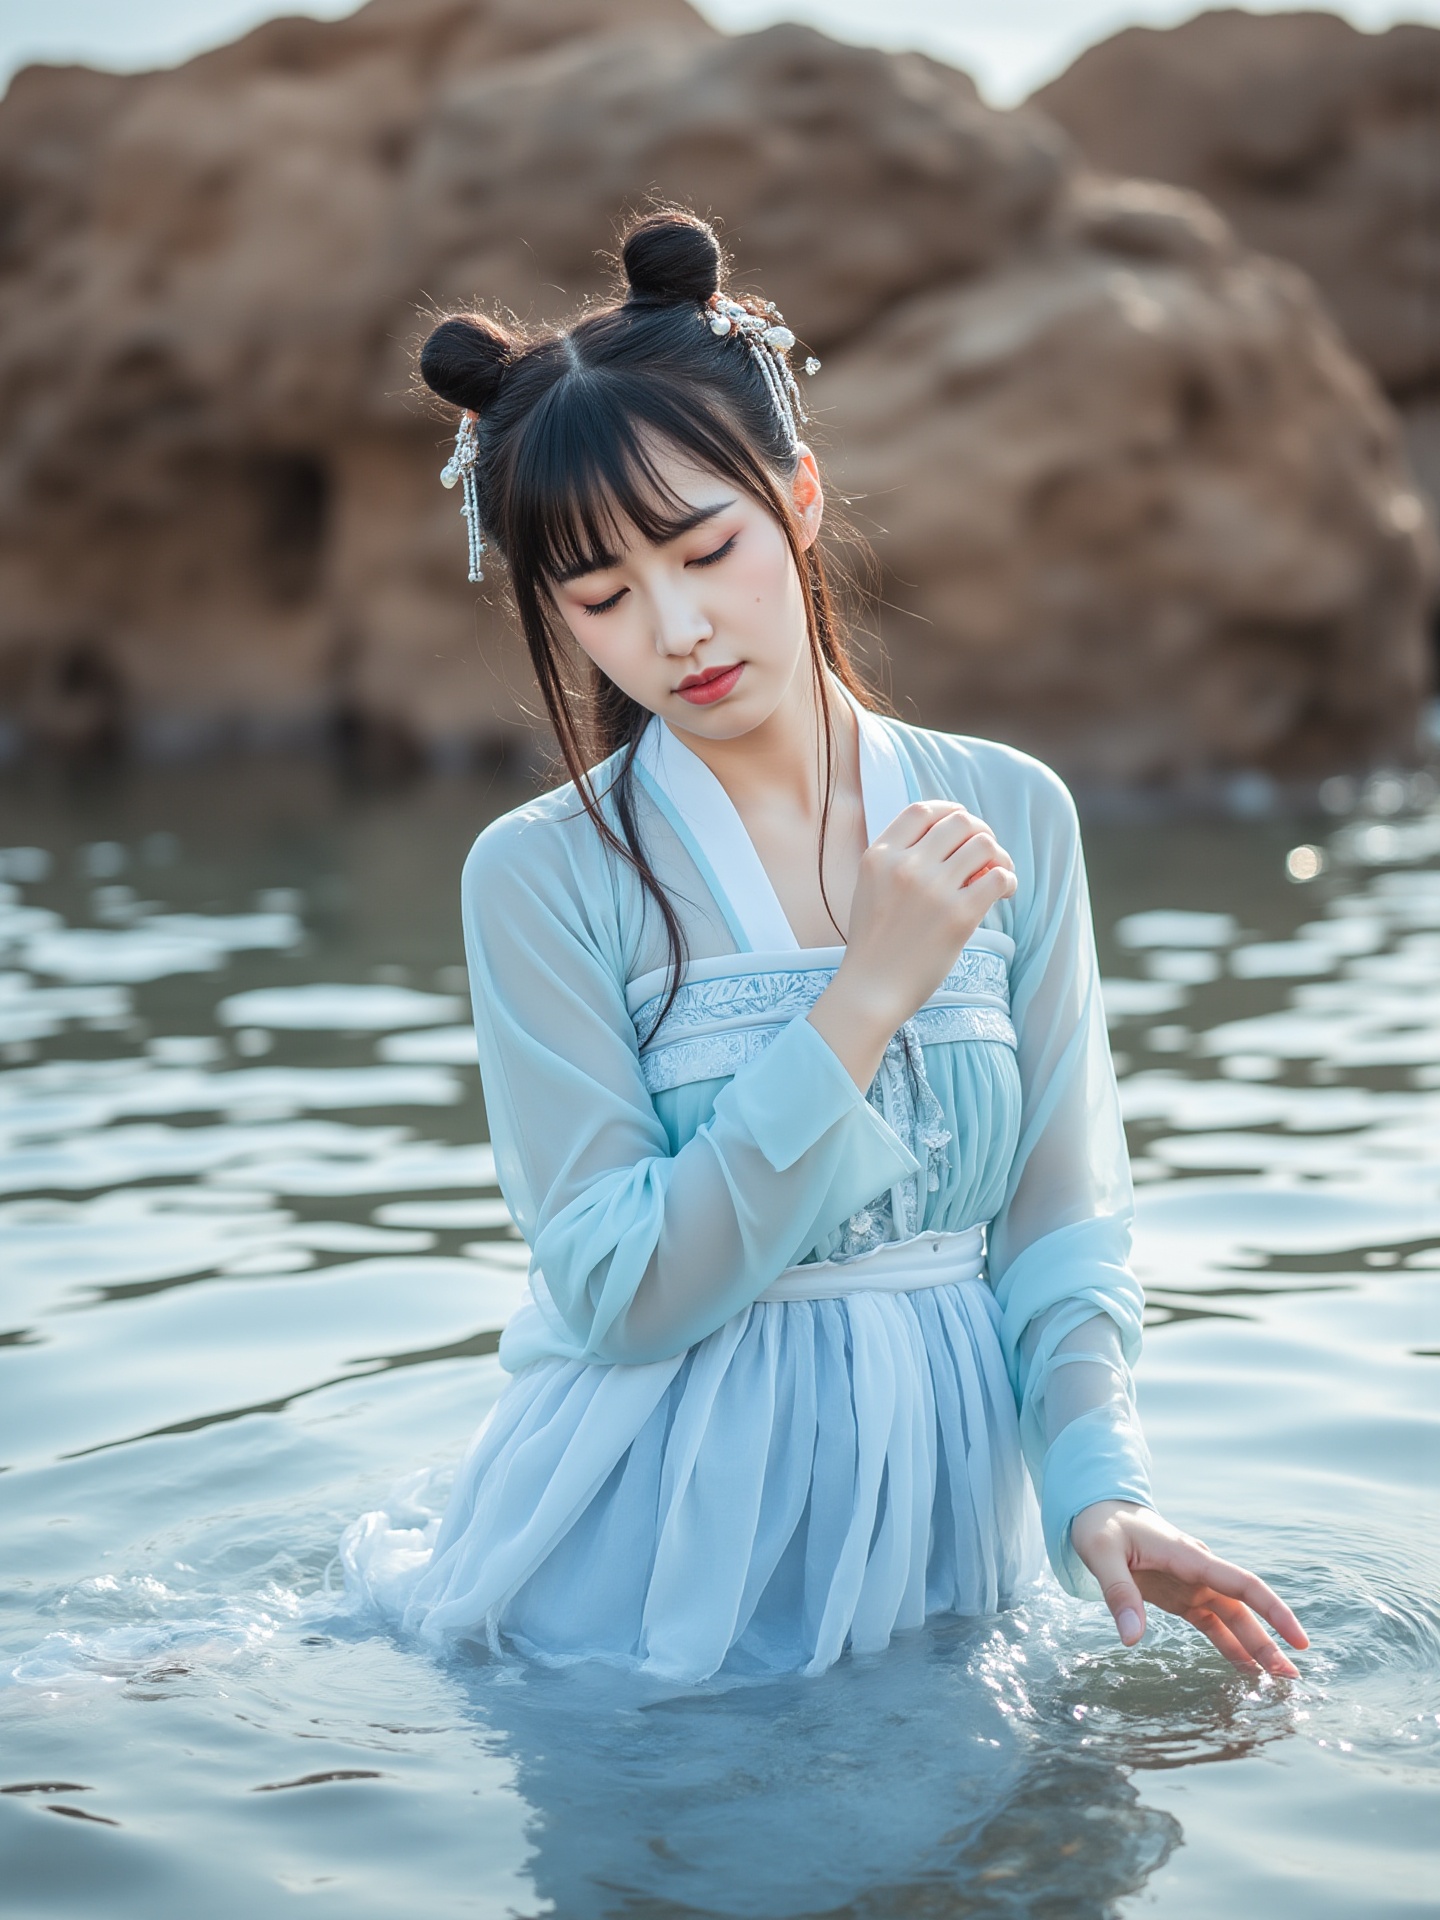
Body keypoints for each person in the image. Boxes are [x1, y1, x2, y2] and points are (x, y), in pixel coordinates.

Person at [342, 208, 1307, 1686]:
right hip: (650, 1559)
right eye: (600, 598)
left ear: (795, 497)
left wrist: (1103, 1492)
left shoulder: (1010, 811)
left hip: (942, 1535)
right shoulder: (542, 875)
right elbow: (614, 1289)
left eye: (705, 549)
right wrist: (862, 1002)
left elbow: (1062, 1221)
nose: (675, 629)